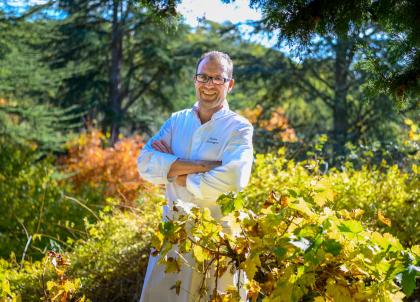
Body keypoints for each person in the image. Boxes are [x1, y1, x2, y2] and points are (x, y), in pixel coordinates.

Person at [137, 51, 254, 302]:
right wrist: (203, 166)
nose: (208, 84)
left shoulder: (239, 127)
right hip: (173, 237)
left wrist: (176, 173)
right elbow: (145, 164)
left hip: (217, 241)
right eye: (203, 77)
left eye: (217, 79)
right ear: (195, 80)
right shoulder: (177, 120)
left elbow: (234, 178)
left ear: (230, 85)